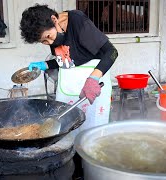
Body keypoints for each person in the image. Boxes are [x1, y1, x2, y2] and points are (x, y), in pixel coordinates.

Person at [20, 4, 118, 132]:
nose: (49, 43)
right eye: (43, 42)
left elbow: (112, 52)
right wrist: (46, 65)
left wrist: (93, 78)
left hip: (93, 86)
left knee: (92, 132)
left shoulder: (78, 21)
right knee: (68, 131)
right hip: (70, 89)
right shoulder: (54, 34)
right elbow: (69, 61)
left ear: (54, 20)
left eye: (48, 37)